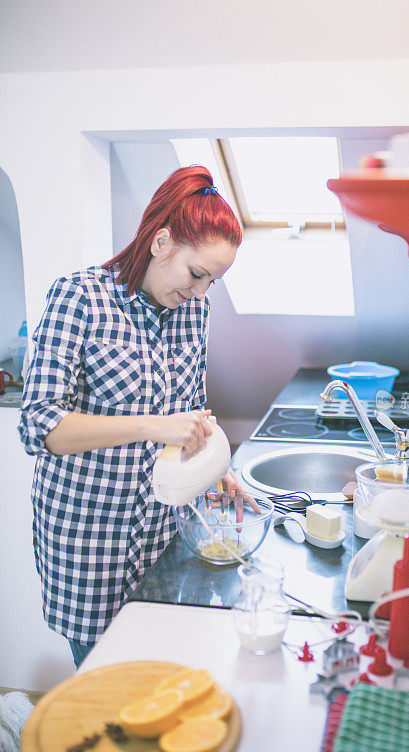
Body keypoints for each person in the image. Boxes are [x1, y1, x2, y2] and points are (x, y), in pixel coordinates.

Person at [18, 165, 244, 667]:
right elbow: (40, 425)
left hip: (165, 531)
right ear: (162, 242)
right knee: (105, 686)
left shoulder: (194, 312)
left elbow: (191, 413)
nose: (202, 292)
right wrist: (153, 424)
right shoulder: (79, 298)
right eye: (197, 274)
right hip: (89, 540)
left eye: (215, 281)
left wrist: (217, 466)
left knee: (162, 677)